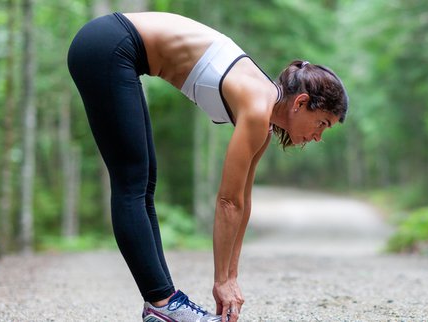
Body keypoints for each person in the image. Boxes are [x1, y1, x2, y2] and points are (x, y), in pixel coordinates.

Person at [67, 11, 348, 322]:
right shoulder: (257, 108)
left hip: (118, 50)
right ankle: (161, 303)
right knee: (132, 183)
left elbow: (243, 201)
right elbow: (227, 201)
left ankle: (162, 303)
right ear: (300, 103)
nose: (319, 136)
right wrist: (220, 282)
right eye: (321, 123)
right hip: (108, 44)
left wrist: (231, 276)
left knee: (143, 184)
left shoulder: (264, 121)